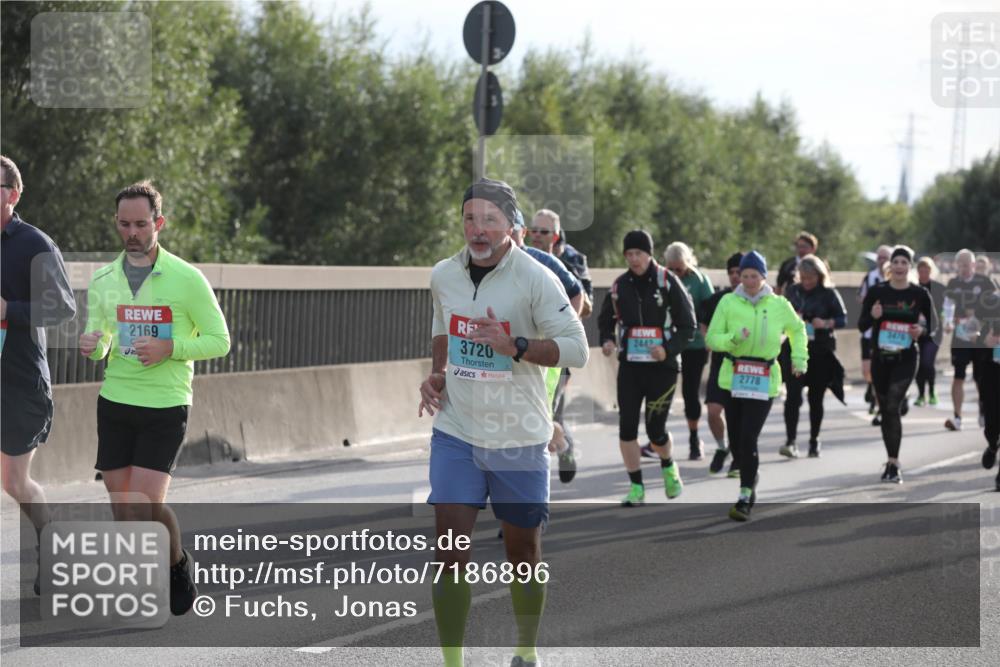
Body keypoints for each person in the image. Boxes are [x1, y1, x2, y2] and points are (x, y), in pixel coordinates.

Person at [418, 178, 589, 667]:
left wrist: (513, 345)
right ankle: (453, 661)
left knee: (523, 555)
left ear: (512, 225)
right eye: (470, 218)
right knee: (449, 551)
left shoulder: (537, 278)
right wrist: (436, 376)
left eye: (489, 219)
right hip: (457, 432)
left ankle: (526, 650)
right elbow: (441, 330)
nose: (478, 229)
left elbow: (577, 349)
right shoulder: (443, 275)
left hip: (519, 435)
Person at [78, 181, 231, 615]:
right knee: (124, 508)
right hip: (116, 402)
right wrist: (95, 345)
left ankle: (176, 563)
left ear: (158, 223)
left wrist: (173, 348)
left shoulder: (187, 279)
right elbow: (104, 337)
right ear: (116, 224)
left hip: (165, 404)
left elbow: (220, 341)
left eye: (141, 224)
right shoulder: (104, 279)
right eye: (125, 224)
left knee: (146, 506)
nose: (132, 232)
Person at [1, 155, 77, 595]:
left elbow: (64, 308)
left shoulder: (34, 244)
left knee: (13, 481)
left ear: (13, 195)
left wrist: (11, 310)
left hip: (18, 381)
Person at [705, 251, 807, 521]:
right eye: (745, 275)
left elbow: (797, 330)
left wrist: (799, 359)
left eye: (754, 276)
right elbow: (713, 338)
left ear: (764, 277)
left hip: (763, 377)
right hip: (733, 377)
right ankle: (749, 472)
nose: (749, 280)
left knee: (749, 437)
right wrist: (733, 339)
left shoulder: (778, 304)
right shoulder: (728, 302)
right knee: (737, 441)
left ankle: (744, 494)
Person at [597, 230, 696, 507]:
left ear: (649, 254)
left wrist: (668, 348)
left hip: (661, 368)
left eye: (638, 253)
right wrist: (607, 340)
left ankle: (668, 465)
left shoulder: (667, 281)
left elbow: (688, 326)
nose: (633, 259)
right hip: (630, 366)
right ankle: (636, 487)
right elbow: (606, 321)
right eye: (628, 254)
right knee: (626, 428)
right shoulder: (620, 286)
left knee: (655, 431)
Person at [512, 209, 583, 483]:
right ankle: (560, 442)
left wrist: (563, 334)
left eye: (513, 230)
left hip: (548, 354)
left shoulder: (547, 261)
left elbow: (578, 294)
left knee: (538, 416)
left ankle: (525, 510)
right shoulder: (491, 261)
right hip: (512, 352)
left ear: (521, 233)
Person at [857, 246, 935, 484]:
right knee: (887, 410)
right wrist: (873, 315)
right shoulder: (877, 292)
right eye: (896, 262)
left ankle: (894, 463)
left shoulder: (919, 294)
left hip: (907, 357)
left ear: (909, 267)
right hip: (881, 358)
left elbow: (933, 326)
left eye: (904, 262)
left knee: (892, 404)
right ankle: (890, 461)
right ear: (890, 266)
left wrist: (920, 330)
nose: (900, 266)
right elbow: (861, 325)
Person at [779, 255, 847, 458]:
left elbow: (843, 319)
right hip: (794, 351)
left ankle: (814, 440)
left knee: (816, 399)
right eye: (804, 277)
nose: (807, 282)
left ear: (819, 276)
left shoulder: (829, 294)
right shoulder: (793, 292)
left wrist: (825, 323)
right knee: (792, 397)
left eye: (811, 278)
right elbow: (781, 316)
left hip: (820, 351)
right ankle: (791, 441)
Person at [661, 241, 715, 460]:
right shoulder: (660, 278)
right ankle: (658, 436)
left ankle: (694, 438)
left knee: (690, 392)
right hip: (667, 342)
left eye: (679, 269)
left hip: (694, 344)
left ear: (688, 264)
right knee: (661, 390)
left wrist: (705, 326)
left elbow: (712, 308)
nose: (675, 273)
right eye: (671, 268)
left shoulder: (699, 280)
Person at [942, 249, 995, 431]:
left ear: (973, 265)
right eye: (961, 265)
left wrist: (983, 322)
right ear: (957, 265)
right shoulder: (953, 283)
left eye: (967, 264)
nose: (964, 268)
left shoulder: (985, 282)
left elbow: (995, 305)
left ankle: (983, 411)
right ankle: (958, 417)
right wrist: (948, 322)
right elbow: (948, 306)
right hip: (961, 336)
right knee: (959, 376)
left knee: (982, 378)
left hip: (980, 337)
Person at [700, 252, 743, 476]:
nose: (736, 277)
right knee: (714, 411)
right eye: (732, 273)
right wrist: (709, 339)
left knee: (738, 416)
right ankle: (721, 446)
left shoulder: (758, 302)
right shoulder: (719, 300)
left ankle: (738, 457)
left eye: (740, 273)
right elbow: (703, 324)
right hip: (721, 363)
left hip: (746, 367)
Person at [859, 245, 893, 423]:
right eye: (879, 258)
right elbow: (861, 298)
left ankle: (882, 409)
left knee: (883, 372)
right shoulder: (870, 278)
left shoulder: (898, 280)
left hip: (889, 332)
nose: (882, 261)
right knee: (868, 371)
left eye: (885, 258)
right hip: (870, 331)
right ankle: (872, 387)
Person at [975, 283, 1000, 491]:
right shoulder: (990, 302)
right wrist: (986, 340)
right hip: (993, 371)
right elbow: (976, 332)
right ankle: (993, 445)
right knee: (992, 423)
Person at [915, 256, 946, 407]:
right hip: (917, 331)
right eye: (920, 270)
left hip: (935, 330)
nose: (923, 273)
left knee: (928, 361)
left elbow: (948, 307)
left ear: (931, 271)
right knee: (919, 364)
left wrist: (946, 320)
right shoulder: (913, 288)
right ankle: (921, 394)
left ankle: (932, 391)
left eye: (926, 270)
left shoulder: (939, 288)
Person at [776, 231, 818, 296]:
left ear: (813, 248)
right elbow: (779, 286)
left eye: (804, 246)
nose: (801, 250)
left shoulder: (819, 265)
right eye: (799, 246)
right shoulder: (788, 264)